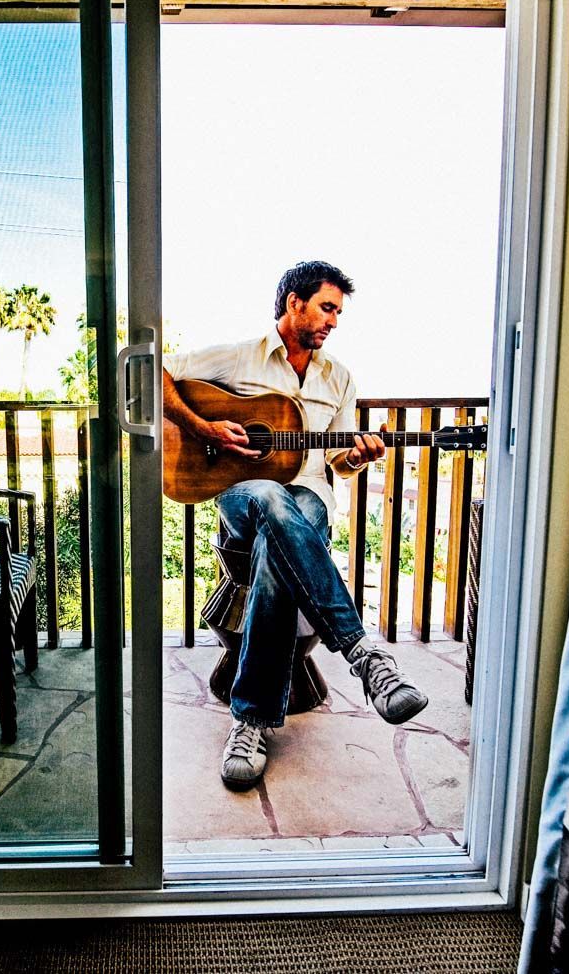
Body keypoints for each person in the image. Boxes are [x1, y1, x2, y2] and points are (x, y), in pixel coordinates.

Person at [162, 260, 429, 790]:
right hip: (241, 494)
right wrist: (202, 424)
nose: (334, 321)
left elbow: (337, 462)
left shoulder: (339, 377)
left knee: (279, 538)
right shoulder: (239, 356)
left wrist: (360, 457)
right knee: (266, 494)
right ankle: (363, 651)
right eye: (327, 307)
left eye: (338, 312)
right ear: (294, 302)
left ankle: (251, 721)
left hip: (308, 498)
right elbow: (150, 370)